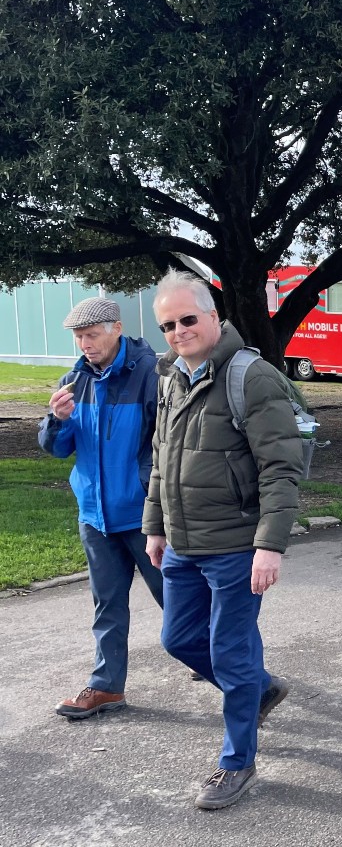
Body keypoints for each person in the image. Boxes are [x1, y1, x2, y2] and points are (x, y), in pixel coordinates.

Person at [144, 269, 304, 811]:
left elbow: (281, 468)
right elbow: (162, 463)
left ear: (214, 316)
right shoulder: (171, 378)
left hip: (237, 546)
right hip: (185, 544)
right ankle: (260, 690)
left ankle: (236, 763)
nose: (179, 331)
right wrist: (155, 526)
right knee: (178, 639)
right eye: (168, 324)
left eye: (188, 319)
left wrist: (270, 545)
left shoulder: (251, 377)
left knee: (229, 654)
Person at [38, 297, 164, 720]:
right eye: (78, 338)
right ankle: (106, 687)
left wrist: (153, 496)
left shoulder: (150, 373)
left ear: (115, 327)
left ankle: (233, 674)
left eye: (91, 335)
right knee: (107, 605)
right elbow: (57, 449)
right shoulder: (74, 379)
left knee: (178, 600)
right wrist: (56, 420)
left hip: (144, 515)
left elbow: (167, 444)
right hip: (94, 516)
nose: (84, 344)